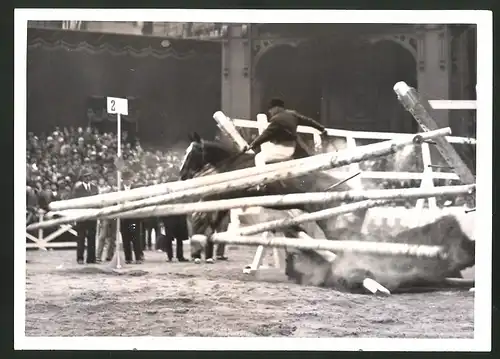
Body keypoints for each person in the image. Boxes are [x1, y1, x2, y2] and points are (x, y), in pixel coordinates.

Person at [71, 167, 99, 264]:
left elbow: (98, 202)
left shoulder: (95, 188)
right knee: (81, 237)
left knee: (92, 237)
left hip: (92, 216)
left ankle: (91, 258)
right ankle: (80, 258)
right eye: (85, 176)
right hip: (82, 216)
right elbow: (75, 203)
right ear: (82, 178)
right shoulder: (78, 189)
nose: (87, 178)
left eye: (89, 176)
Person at [120, 171, 144, 264]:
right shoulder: (119, 189)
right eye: (126, 180)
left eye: (129, 179)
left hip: (133, 218)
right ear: (123, 180)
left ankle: (138, 257)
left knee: (135, 237)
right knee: (125, 238)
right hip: (123, 218)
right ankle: (128, 258)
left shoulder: (136, 189)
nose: (128, 181)